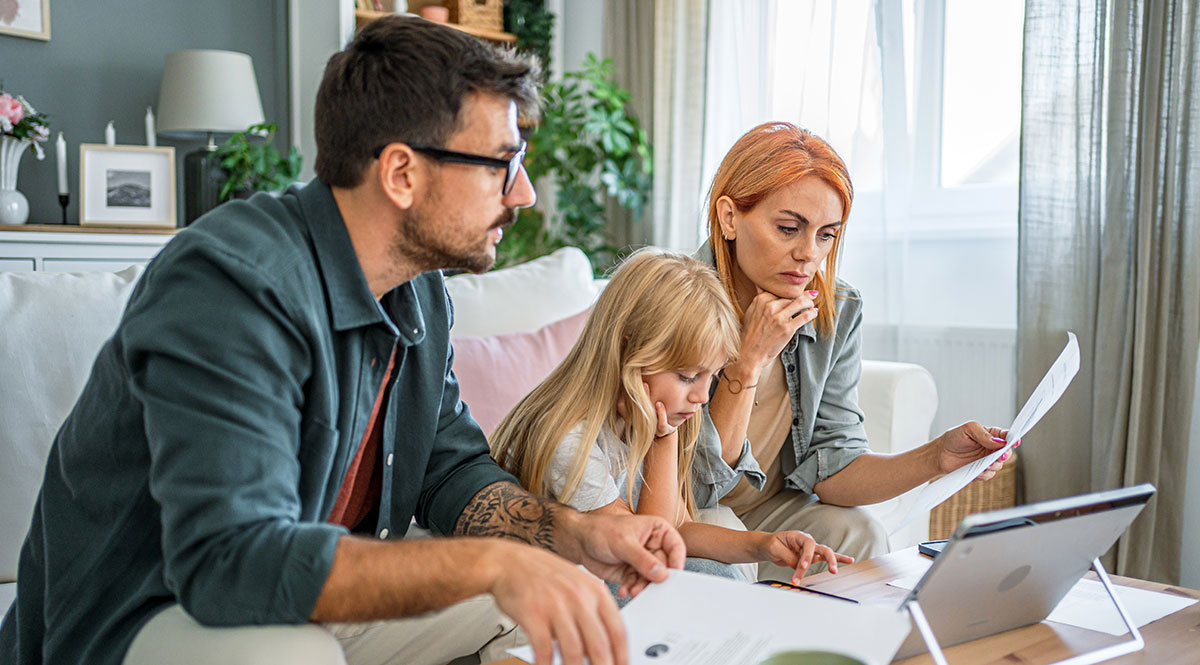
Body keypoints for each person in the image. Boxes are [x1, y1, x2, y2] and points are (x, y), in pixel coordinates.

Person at [0, 16, 686, 665]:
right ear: (401, 173)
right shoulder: (231, 286)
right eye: (500, 163)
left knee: (565, 595)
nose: (525, 193)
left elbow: (452, 472)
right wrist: (493, 562)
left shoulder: (418, 292)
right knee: (291, 654)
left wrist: (572, 532)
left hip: (312, 592)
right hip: (141, 615)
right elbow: (228, 562)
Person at [692, 122, 1013, 582]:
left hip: (768, 506)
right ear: (728, 217)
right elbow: (704, 483)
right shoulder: (676, 298)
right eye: (788, 229)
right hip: (687, 506)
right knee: (721, 534)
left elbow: (833, 467)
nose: (809, 255)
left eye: (826, 235)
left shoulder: (835, 310)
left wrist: (936, 458)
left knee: (858, 532)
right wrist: (749, 361)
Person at [491, 248, 852, 592]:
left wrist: (764, 545)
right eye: (687, 376)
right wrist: (663, 442)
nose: (701, 396)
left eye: (711, 376)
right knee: (703, 580)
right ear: (629, 350)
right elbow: (652, 547)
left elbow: (679, 526)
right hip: (554, 575)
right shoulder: (572, 440)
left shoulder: (652, 413)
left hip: (613, 563)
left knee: (717, 572)